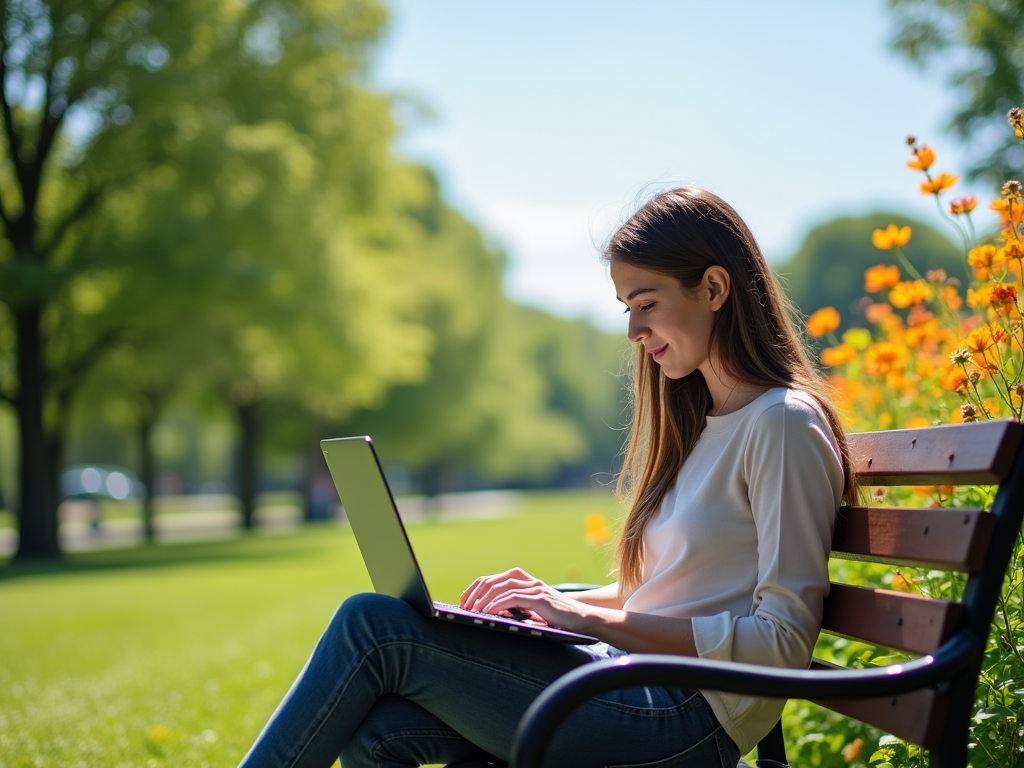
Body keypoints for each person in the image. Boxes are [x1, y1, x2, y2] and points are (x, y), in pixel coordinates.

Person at [238, 187, 857, 768]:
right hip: (633, 678)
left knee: (371, 628)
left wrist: (586, 620)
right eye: (627, 309)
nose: (634, 332)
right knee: (382, 729)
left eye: (647, 305)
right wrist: (541, 606)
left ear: (715, 288)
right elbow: (664, 592)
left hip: (685, 716)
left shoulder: (782, 425)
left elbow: (781, 645)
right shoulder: (708, 423)